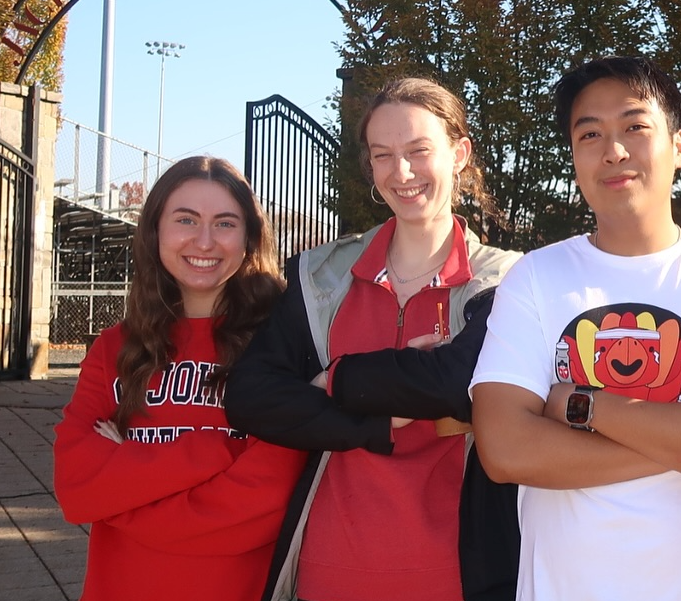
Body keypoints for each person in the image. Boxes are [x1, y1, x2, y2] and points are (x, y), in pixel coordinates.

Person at [470, 56, 681, 601]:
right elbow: (505, 450)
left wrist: (585, 408)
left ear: (680, 146)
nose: (613, 150)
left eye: (634, 127)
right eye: (590, 134)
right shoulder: (535, 278)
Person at [223, 77, 521, 601]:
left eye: (418, 150)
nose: (400, 172)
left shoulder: (505, 280)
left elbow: (457, 383)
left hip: (454, 577)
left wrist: (335, 379)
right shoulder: (319, 276)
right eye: (382, 155)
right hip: (328, 570)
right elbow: (251, 397)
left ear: (459, 154)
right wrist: (378, 421)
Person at [52, 156, 307, 601]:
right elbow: (75, 485)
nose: (204, 241)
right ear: (155, 231)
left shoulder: (281, 349)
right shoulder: (114, 348)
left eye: (224, 223)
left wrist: (120, 493)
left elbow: (261, 505)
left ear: (249, 238)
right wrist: (216, 451)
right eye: (186, 219)